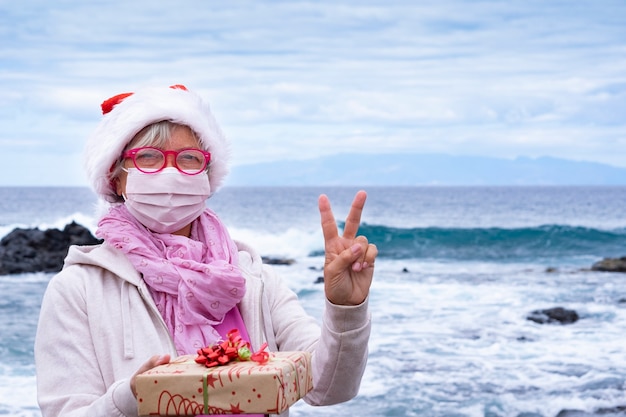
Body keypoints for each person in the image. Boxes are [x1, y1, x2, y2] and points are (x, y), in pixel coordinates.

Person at [34, 84, 377, 417]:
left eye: (189, 159)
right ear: (116, 178)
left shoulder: (252, 278)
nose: (169, 173)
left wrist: (346, 308)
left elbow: (329, 387)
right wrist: (132, 399)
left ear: (207, 178)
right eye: (149, 158)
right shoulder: (77, 290)